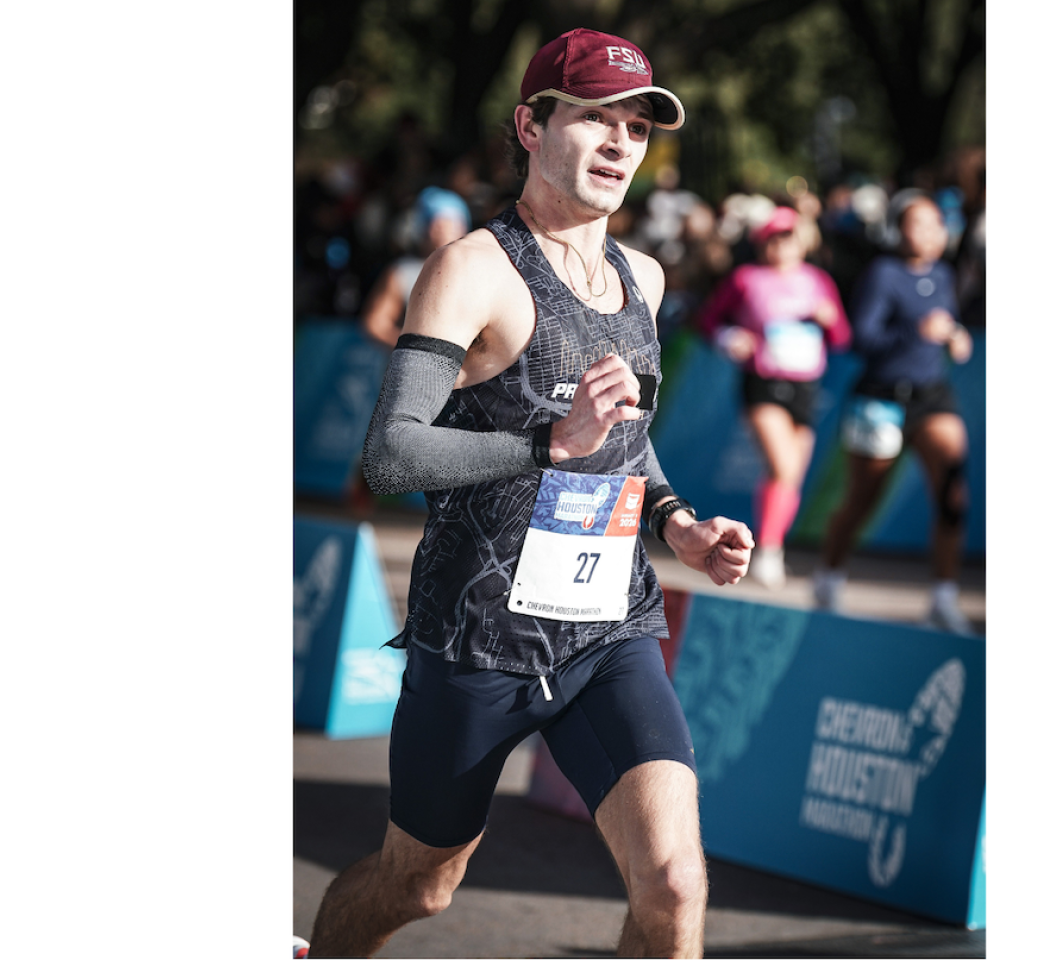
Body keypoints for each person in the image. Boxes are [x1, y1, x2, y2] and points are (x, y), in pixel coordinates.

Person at [300, 28, 755, 960]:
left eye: (636, 124)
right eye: (593, 116)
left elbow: (628, 444)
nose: (620, 141)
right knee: (417, 886)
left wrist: (680, 527)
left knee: (673, 885)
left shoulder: (646, 278)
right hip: (478, 641)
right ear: (529, 124)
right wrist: (550, 442)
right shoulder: (474, 268)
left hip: (607, 632)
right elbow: (390, 455)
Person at [812, 190, 974, 633]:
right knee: (864, 498)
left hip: (931, 396)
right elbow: (861, 339)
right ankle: (828, 578)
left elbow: (944, 325)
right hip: (881, 397)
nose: (926, 233)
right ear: (898, 231)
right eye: (915, 224)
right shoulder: (883, 274)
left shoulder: (944, 274)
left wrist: (955, 335)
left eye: (934, 224)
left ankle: (943, 597)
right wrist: (914, 333)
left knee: (953, 492)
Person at [697, 204, 850, 587]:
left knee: (789, 477)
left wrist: (830, 321)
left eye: (788, 237)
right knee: (782, 467)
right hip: (764, 383)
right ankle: (767, 550)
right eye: (773, 238)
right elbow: (707, 319)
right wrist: (730, 337)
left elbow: (843, 338)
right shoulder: (746, 279)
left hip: (805, 386)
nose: (781, 245)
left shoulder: (817, 281)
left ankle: (771, 546)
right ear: (763, 243)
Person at [360, 186, 471, 347]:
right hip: (412, 368)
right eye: (437, 224)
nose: (444, 231)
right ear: (423, 228)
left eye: (452, 223)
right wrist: (415, 351)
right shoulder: (403, 272)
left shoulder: (479, 271)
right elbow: (375, 324)